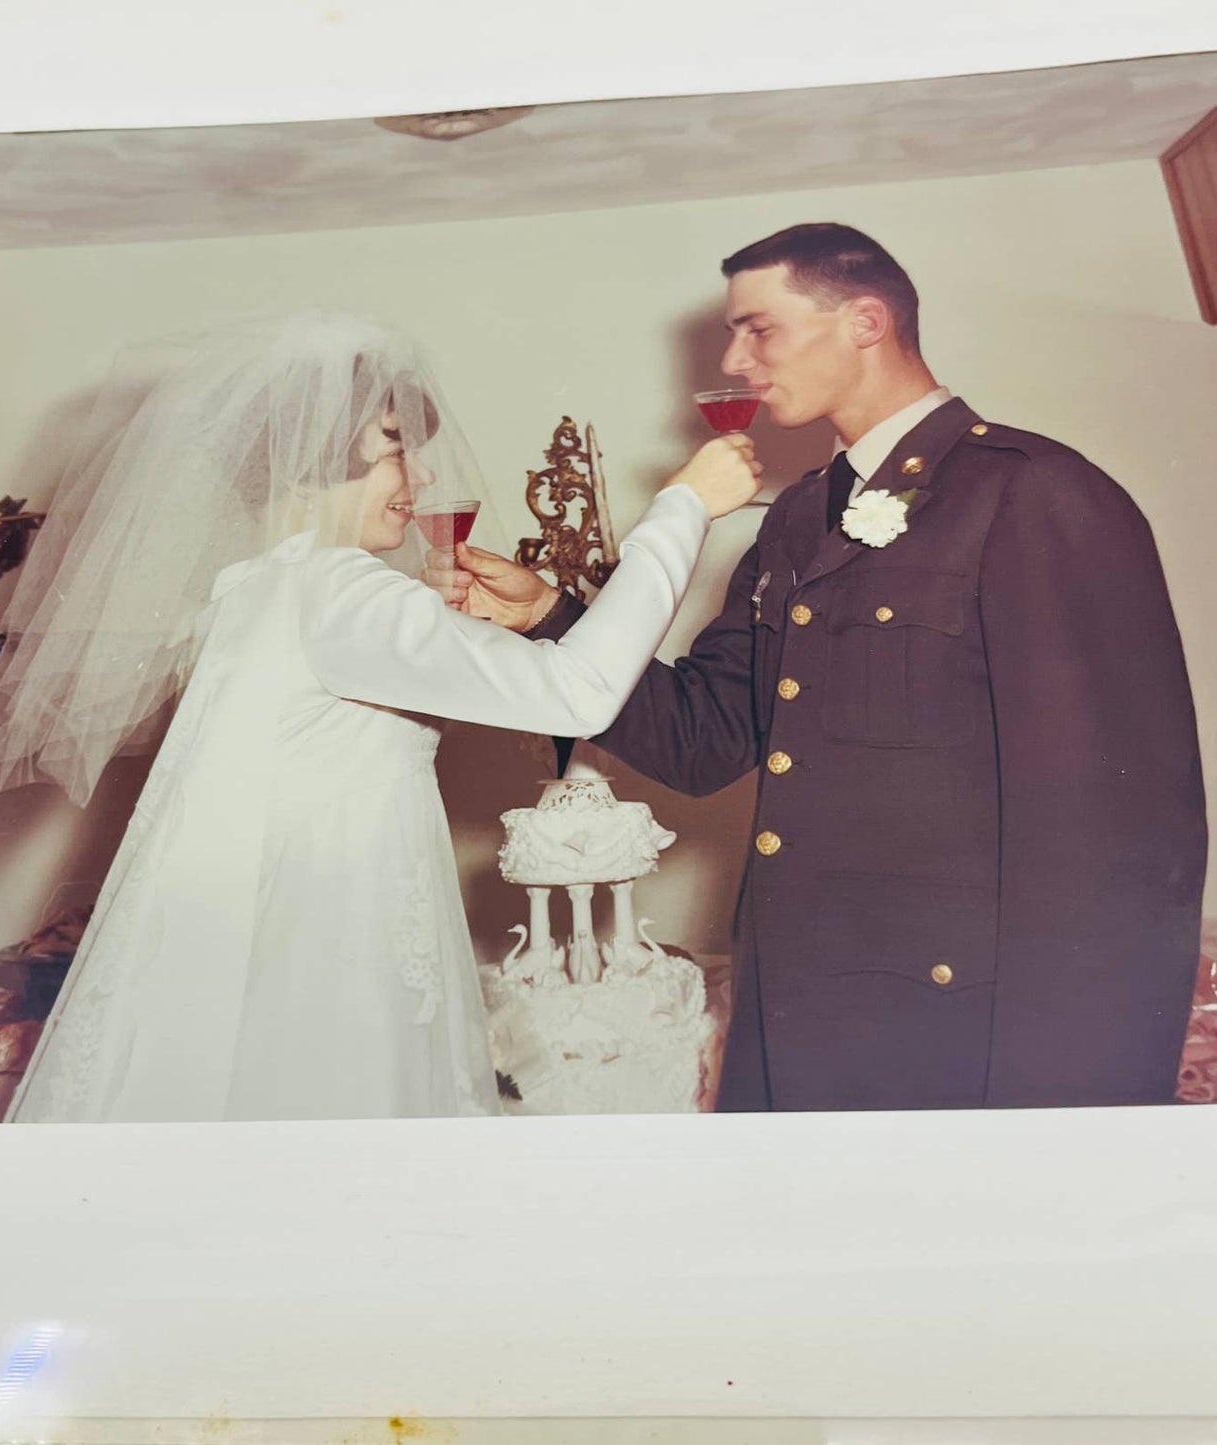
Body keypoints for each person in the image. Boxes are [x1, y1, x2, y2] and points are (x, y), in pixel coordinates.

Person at [431, 223, 1207, 1112]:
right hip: (801, 1021)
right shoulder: (796, 520)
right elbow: (702, 739)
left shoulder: (1032, 491)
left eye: (758, 329)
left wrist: (1077, 1100)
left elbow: (1120, 833)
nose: (734, 357)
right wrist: (547, 618)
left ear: (865, 321)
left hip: (958, 1040)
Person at [0, 312, 759, 1121]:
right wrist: (682, 508)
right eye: (391, 448)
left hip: (272, 935)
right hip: (333, 949)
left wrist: (441, 627)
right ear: (308, 462)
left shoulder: (251, 589)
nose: (417, 474)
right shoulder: (342, 591)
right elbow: (577, 693)